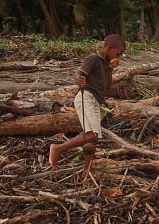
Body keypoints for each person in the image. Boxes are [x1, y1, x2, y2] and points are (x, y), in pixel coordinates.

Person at [48, 34, 126, 169]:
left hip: (97, 100)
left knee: (93, 138)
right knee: (91, 134)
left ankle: (87, 169)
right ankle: (57, 148)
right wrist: (79, 78)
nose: (117, 57)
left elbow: (107, 87)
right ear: (110, 48)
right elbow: (79, 72)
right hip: (86, 97)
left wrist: (111, 69)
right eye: (118, 53)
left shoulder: (106, 64)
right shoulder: (94, 58)